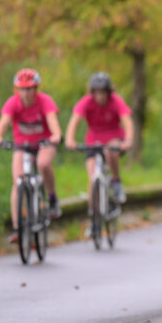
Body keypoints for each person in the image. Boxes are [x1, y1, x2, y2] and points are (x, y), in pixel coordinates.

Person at [0, 68, 62, 243]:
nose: (26, 93)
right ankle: (17, 228)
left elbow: (53, 124)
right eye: (22, 89)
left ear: (36, 89)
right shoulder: (12, 103)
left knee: (43, 164)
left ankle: (52, 199)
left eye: (29, 89)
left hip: (44, 143)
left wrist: (55, 136)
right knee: (18, 182)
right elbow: (3, 123)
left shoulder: (45, 101)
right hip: (22, 146)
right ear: (16, 90)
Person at [65, 72, 134, 215]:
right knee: (92, 178)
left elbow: (127, 121)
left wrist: (128, 140)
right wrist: (70, 139)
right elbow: (75, 120)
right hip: (93, 141)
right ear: (92, 93)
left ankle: (116, 181)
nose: (100, 96)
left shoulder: (116, 101)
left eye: (103, 92)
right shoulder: (86, 102)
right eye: (97, 92)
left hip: (114, 137)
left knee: (110, 151)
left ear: (109, 92)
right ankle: (94, 215)